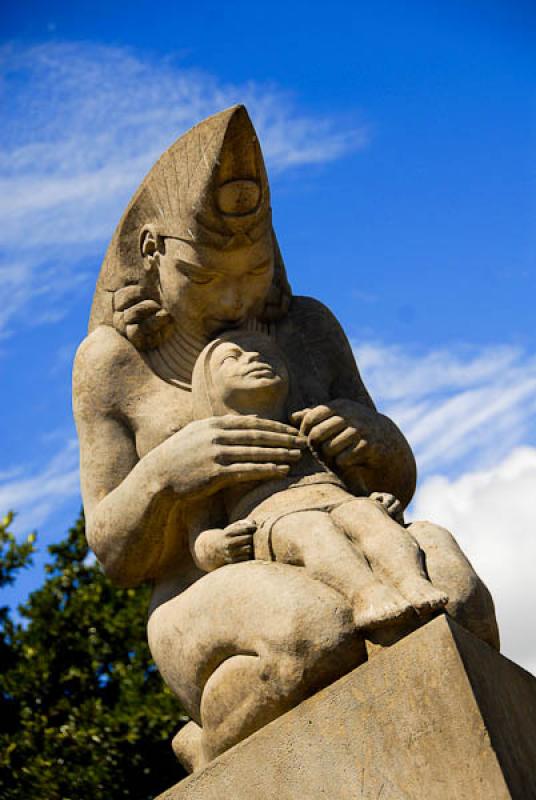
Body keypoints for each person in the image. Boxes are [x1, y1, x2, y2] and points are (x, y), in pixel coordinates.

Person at [73, 105, 499, 772]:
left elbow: (395, 480)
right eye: (208, 277)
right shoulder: (113, 363)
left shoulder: (307, 328)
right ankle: (212, 743)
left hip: (352, 527)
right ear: (155, 254)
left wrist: (374, 437)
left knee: (461, 601)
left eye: (254, 270)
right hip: (201, 589)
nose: (235, 297)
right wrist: (165, 475)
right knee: (314, 633)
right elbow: (114, 552)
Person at [188, 329, 448, 630]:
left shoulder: (307, 426)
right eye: (232, 358)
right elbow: (200, 532)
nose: (253, 358)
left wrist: (374, 498)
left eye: (266, 354)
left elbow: (352, 481)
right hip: (275, 519)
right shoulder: (216, 451)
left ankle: (411, 581)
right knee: (314, 533)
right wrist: (219, 546)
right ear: (207, 388)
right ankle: (366, 593)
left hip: (337, 497)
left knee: (370, 519)